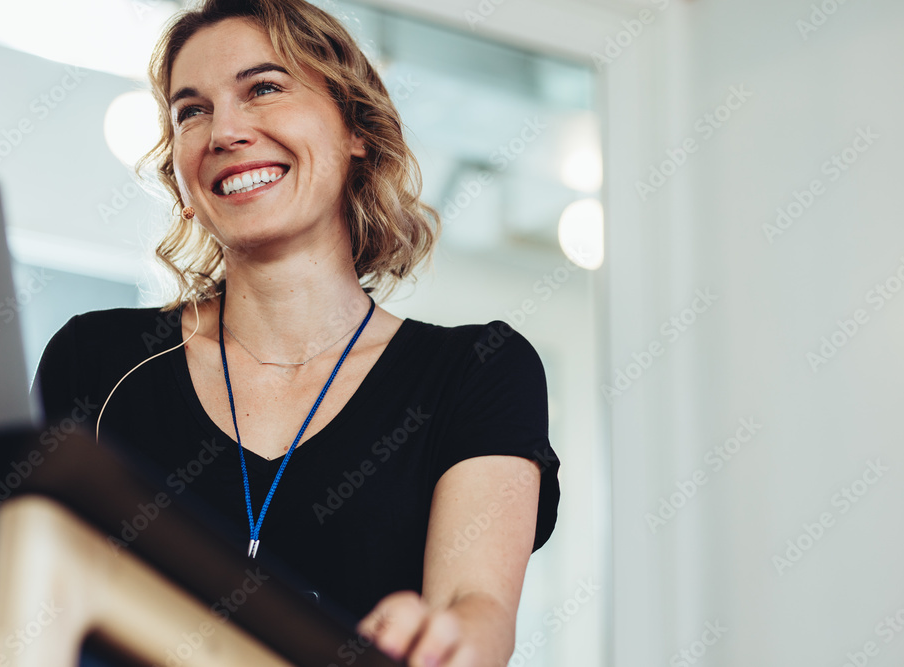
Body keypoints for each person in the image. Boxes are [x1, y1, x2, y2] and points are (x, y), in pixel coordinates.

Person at [32, 0, 560, 664]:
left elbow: (473, 608)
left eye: (263, 88)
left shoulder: (477, 371)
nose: (224, 129)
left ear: (354, 129)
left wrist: (447, 638)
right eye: (191, 110)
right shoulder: (95, 361)